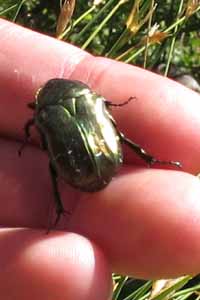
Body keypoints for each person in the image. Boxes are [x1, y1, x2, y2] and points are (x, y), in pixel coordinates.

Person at [0, 18, 200, 300]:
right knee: (117, 135)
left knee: (55, 168)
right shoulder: (87, 96)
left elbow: (31, 128)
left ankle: (59, 210)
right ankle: (149, 159)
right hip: (103, 158)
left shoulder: (43, 114)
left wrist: (27, 136)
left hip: (79, 170)